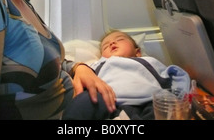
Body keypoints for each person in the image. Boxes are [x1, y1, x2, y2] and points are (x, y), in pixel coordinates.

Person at [62, 30, 191, 120]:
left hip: (147, 99)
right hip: (108, 98)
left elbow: (176, 75)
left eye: (119, 39)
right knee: (81, 104)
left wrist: (179, 97)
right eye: (106, 46)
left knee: (159, 113)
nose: (112, 43)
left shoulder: (148, 61)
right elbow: (86, 79)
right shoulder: (98, 64)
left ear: (138, 52)